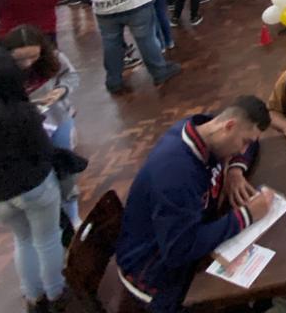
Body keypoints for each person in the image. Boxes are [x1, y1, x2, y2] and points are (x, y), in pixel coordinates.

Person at [116, 97, 273, 313]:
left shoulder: (206, 128)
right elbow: (179, 249)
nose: (243, 148)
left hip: (187, 233)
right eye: (243, 142)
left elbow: (252, 141)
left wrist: (235, 170)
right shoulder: (176, 173)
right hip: (153, 272)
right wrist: (246, 215)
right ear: (229, 126)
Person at [0, 51, 69, 312]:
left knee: (23, 240)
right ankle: (56, 293)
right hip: (34, 186)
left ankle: (33, 296)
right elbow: (42, 150)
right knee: (48, 238)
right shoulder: (22, 113)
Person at [1, 25, 82, 228]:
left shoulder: (55, 58)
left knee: (65, 170)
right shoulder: (0, 70)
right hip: (27, 131)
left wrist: (61, 90)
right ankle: (54, 218)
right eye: (20, 58)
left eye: (33, 56)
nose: (28, 63)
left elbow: (71, 76)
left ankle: (73, 215)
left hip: (59, 119)